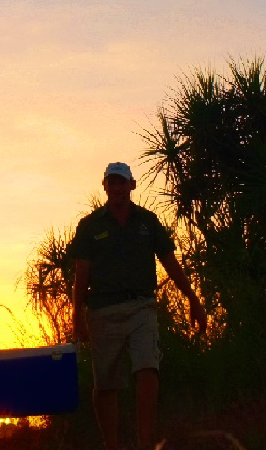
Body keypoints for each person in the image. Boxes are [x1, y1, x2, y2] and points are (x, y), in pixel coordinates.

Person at [69, 162, 208, 450]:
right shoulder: (91, 226)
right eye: (112, 182)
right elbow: (81, 272)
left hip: (141, 307)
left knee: (148, 368)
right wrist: (76, 314)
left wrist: (193, 299)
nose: (117, 187)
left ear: (132, 186)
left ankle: (146, 443)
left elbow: (170, 262)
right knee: (106, 382)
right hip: (103, 311)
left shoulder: (148, 222)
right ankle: (112, 445)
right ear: (105, 185)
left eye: (123, 182)